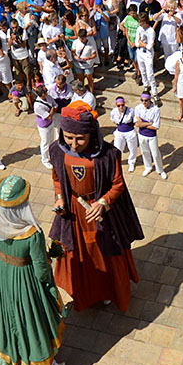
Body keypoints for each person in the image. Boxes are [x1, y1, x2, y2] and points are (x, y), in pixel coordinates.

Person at [49, 101, 144, 312]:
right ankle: (84, 293)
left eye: (80, 138)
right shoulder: (57, 151)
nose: (74, 144)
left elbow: (118, 184)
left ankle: (109, 291)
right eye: (69, 137)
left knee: (103, 253)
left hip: (101, 214)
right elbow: (57, 178)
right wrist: (60, 198)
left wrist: (103, 203)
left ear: (92, 134)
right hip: (74, 213)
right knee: (80, 255)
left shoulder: (108, 155)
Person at [0, 175, 66, 365]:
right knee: (32, 319)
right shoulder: (32, 234)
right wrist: (48, 286)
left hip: (1, 273)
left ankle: (14, 359)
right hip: (26, 280)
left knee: (8, 316)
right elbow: (40, 270)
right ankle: (43, 364)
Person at [134, 93, 166, 178]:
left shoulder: (155, 110)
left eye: (146, 100)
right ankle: (148, 167)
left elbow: (156, 126)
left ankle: (160, 170)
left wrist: (142, 123)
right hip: (141, 135)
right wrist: (148, 123)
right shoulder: (138, 108)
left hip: (152, 136)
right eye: (142, 100)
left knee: (155, 153)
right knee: (145, 152)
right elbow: (137, 124)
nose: (144, 102)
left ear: (149, 100)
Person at [111, 96, 140, 172]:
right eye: (119, 106)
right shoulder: (114, 112)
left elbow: (135, 121)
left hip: (130, 132)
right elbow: (113, 120)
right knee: (117, 148)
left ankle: (131, 163)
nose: (121, 107)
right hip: (119, 132)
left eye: (122, 105)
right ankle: (116, 162)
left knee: (132, 148)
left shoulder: (130, 111)